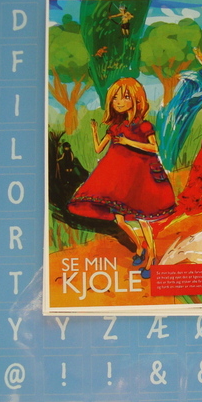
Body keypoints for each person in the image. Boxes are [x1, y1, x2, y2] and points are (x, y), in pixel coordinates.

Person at [68, 77, 176, 277]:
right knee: (120, 220)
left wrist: (128, 142)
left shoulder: (143, 126)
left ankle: (151, 258)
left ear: (137, 100)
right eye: (115, 98)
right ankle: (139, 248)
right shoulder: (115, 127)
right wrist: (94, 132)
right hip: (119, 181)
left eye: (125, 97)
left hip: (140, 178)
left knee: (142, 220)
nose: (119, 102)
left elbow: (153, 147)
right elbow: (99, 149)